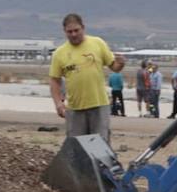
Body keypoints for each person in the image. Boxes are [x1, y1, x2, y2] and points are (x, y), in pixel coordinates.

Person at [48, 13, 125, 145]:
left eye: (76, 30)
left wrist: (121, 63)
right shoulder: (59, 53)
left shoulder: (97, 43)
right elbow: (55, 80)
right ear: (64, 31)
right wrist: (58, 103)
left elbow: (114, 67)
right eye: (69, 32)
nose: (73, 34)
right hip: (74, 108)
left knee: (99, 146)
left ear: (83, 28)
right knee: (76, 147)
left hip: (99, 105)